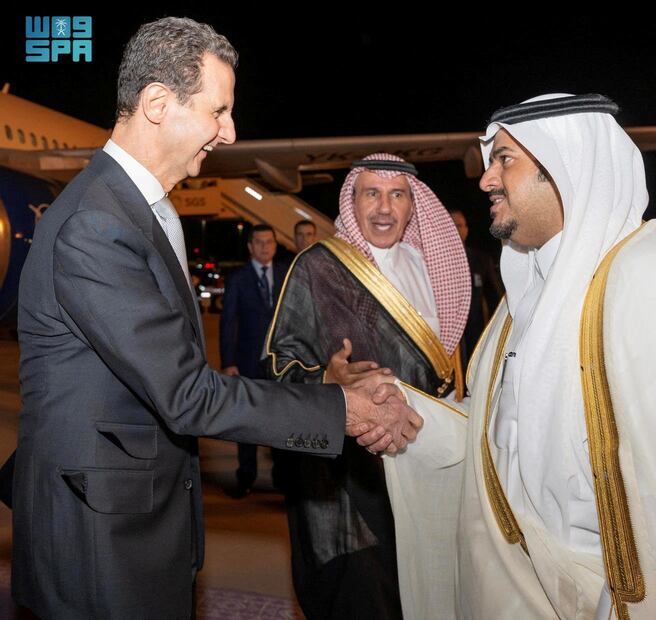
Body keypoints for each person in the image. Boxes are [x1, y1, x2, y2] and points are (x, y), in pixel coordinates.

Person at [11, 18, 420, 619]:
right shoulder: (97, 224)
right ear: (157, 103)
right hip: (98, 536)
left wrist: (326, 388)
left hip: (131, 515)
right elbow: (184, 393)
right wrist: (342, 410)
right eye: (218, 111)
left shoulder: (133, 209)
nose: (229, 133)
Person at [383, 94, 656, 619]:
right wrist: (406, 417)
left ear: (565, 168)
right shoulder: (527, 296)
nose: (485, 180)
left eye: (505, 159)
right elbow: (500, 435)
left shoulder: (652, 280)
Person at [265, 153, 470, 619]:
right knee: (361, 596)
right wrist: (326, 377)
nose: (384, 207)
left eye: (397, 195)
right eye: (371, 193)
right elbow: (280, 366)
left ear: (412, 205)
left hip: (425, 464)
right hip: (350, 482)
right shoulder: (316, 268)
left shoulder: (431, 267)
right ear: (351, 201)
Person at [220, 224, 289, 497]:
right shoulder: (238, 278)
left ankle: (283, 479)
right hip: (246, 363)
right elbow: (229, 322)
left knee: (281, 422)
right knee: (247, 423)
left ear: (275, 244)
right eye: (258, 242)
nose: (264, 246)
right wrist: (228, 361)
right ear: (250, 246)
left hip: (280, 365)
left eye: (269, 242)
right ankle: (246, 476)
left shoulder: (285, 274)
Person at [448, 208, 503, 368]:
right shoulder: (432, 262)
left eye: (458, 225)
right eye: (450, 225)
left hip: (476, 336)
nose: (455, 230)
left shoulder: (481, 260)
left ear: (466, 229)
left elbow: (496, 299)